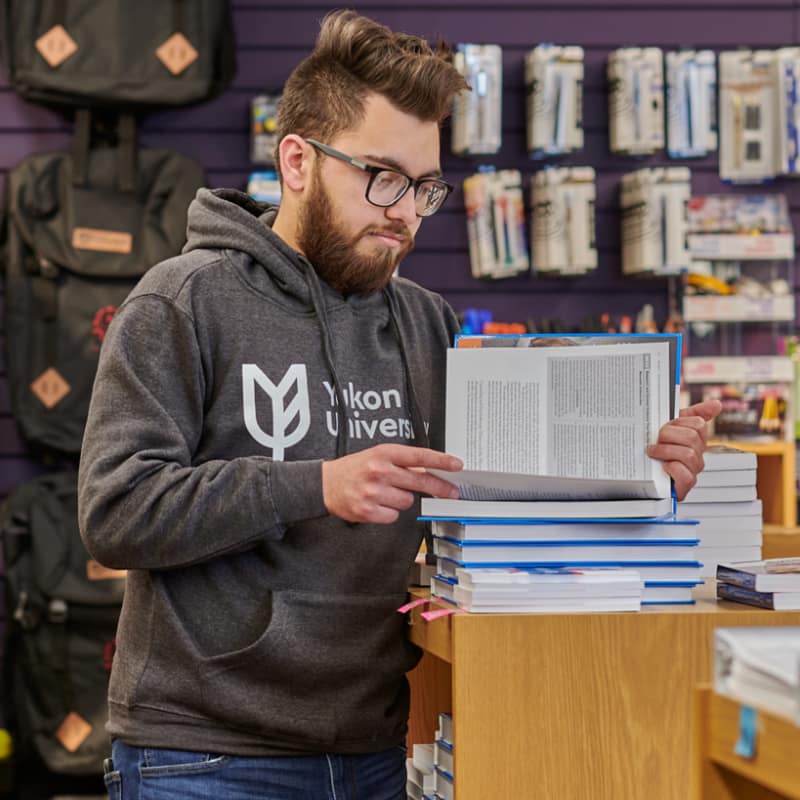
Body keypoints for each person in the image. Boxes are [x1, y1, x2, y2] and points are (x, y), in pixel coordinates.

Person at [77, 10, 720, 799]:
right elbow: (115, 511)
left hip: (374, 744)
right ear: (298, 161)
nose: (405, 213)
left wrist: (648, 479)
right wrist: (315, 483)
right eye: (381, 177)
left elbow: (501, 502)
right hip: (205, 755)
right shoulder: (183, 302)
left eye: (424, 188)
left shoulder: (426, 321)